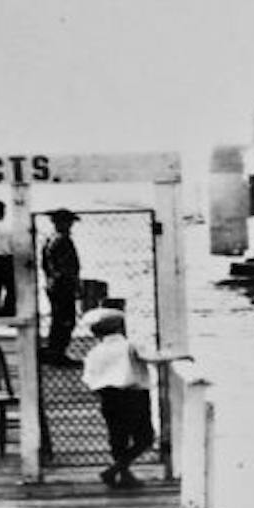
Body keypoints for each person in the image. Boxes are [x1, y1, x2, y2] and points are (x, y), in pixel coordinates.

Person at [80, 308, 177, 490]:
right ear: (120, 328)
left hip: (108, 396)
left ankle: (122, 473)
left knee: (118, 437)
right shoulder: (129, 345)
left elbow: (88, 378)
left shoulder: (95, 352)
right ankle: (115, 470)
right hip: (134, 394)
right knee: (144, 438)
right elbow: (150, 357)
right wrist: (176, 355)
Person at [40, 209, 82, 365]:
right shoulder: (62, 241)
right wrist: (74, 283)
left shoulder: (49, 240)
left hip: (54, 283)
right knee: (66, 319)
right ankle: (57, 352)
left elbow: (45, 264)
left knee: (59, 319)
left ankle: (54, 351)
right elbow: (68, 267)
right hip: (63, 285)